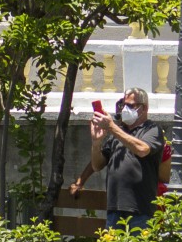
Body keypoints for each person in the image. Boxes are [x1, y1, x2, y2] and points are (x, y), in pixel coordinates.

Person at [67, 87, 165, 231]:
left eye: (131, 105)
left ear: (144, 108)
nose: (125, 109)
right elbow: (97, 165)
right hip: (115, 210)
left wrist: (112, 127)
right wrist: (96, 143)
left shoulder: (151, 129)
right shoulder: (118, 132)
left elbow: (142, 149)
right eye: (123, 105)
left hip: (140, 210)